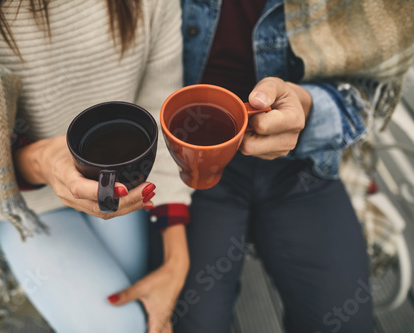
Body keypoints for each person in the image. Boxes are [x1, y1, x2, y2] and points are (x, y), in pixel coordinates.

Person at [0, 0, 191, 332]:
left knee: (132, 291)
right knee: (121, 325)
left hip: (118, 185)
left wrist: (177, 259)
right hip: (21, 202)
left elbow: (159, 110)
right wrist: (41, 163)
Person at [172, 0, 414, 332]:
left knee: (345, 323)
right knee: (193, 323)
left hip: (304, 166)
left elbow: (368, 92)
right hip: (194, 166)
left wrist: (310, 110)